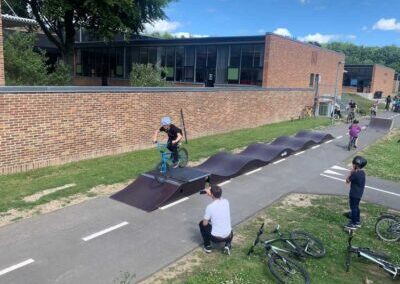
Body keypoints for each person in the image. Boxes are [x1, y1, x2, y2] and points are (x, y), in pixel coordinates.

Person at [199, 185, 233, 255]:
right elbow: (218, 198)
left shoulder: (210, 207)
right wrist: (211, 194)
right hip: (228, 235)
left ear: (211, 194)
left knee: (201, 224)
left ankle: (207, 246)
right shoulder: (226, 201)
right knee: (229, 228)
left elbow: (205, 224)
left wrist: (210, 194)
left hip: (216, 239)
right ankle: (228, 244)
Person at [344, 156, 367, 230]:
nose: (352, 165)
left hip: (354, 194)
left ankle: (353, 223)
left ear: (356, 165)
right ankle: (357, 221)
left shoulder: (355, 174)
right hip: (359, 194)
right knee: (356, 207)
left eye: (353, 164)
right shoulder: (362, 173)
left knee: (353, 208)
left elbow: (347, 181)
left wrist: (351, 173)